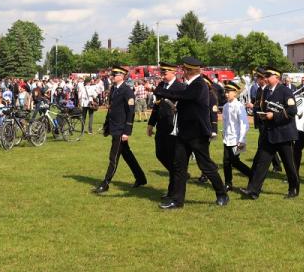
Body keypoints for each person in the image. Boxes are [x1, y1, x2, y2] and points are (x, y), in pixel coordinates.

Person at [155, 57, 229, 209]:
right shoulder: (190, 85)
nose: (182, 72)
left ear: (189, 71)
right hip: (184, 132)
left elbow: (182, 96)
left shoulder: (199, 84)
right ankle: (177, 200)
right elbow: (186, 102)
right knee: (179, 167)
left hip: (198, 134)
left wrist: (161, 91)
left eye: (184, 69)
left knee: (206, 166)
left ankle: (222, 194)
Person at [239, 67, 300, 200]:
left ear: (277, 77)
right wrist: (261, 114)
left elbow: (292, 111)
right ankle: (253, 191)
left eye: (268, 76)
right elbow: (262, 107)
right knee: (262, 163)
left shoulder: (285, 91)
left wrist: (274, 116)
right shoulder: (265, 91)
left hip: (284, 134)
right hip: (269, 133)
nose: (265, 78)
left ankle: (294, 188)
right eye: (265, 76)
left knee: (289, 164)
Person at [93, 67, 146, 194]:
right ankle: (140, 178)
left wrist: (127, 131)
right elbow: (111, 109)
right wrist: (106, 125)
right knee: (127, 154)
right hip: (114, 126)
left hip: (121, 129)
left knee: (114, 156)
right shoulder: (114, 89)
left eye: (115, 74)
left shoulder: (127, 91)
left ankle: (106, 183)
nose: (112, 76)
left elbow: (131, 112)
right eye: (112, 74)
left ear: (122, 76)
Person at [147, 62, 182, 201]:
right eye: (161, 73)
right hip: (161, 126)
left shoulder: (180, 87)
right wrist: (151, 123)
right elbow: (156, 106)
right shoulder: (161, 85)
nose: (162, 75)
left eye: (165, 73)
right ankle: (179, 174)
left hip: (173, 127)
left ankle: (172, 190)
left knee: (173, 158)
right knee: (160, 154)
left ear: (174, 72)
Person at [220, 80, 252, 192]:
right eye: (225, 92)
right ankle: (228, 184)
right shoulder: (225, 106)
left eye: (228, 92)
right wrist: (224, 133)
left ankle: (252, 175)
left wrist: (241, 140)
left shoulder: (239, 106)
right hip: (227, 138)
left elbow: (244, 124)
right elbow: (225, 122)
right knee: (226, 162)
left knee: (235, 161)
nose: (226, 94)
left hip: (237, 139)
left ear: (235, 93)